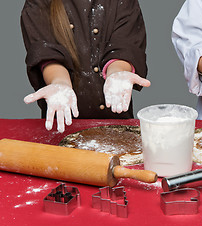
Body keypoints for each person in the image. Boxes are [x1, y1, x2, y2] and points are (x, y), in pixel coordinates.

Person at [21, 0, 150, 132]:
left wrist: (117, 74)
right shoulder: (38, 3)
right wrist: (60, 83)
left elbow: (124, 47)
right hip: (62, 125)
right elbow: (47, 54)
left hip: (116, 125)